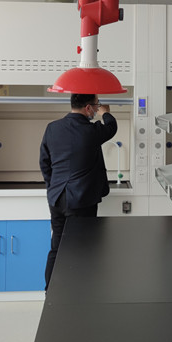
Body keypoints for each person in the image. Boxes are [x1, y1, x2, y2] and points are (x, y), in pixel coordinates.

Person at [39, 93, 118, 289]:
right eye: (96, 105)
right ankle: (80, 291)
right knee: (83, 248)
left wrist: (53, 186)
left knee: (57, 247)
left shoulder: (52, 128)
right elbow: (111, 127)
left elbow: (44, 162)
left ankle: (50, 292)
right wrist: (106, 113)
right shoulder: (90, 131)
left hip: (56, 198)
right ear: (88, 108)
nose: (97, 109)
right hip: (81, 200)